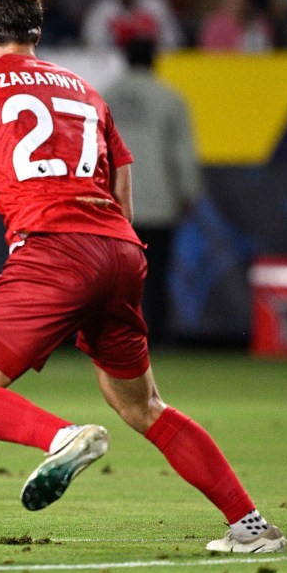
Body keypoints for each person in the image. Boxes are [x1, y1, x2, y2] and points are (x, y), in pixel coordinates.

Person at [0, 0, 286, 553]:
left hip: (52, 249)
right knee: (144, 405)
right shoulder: (86, 91)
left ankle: (64, 437)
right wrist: (103, 264)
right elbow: (122, 189)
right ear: (36, 32)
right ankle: (251, 526)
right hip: (119, 249)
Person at [102, 37, 202, 346]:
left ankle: (111, 338)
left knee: (114, 277)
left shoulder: (105, 97)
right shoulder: (170, 98)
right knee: (155, 275)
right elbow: (182, 152)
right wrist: (190, 193)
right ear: (154, 61)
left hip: (114, 204)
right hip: (159, 202)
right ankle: (154, 338)